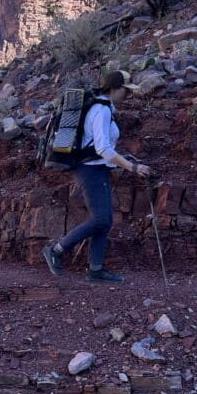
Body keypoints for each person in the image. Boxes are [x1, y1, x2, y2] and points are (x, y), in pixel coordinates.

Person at [42, 70, 154, 284]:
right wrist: (132, 167)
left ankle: (95, 269)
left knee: (105, 221)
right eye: (125, 90)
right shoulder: (101, 111)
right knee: (101, 219)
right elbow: (103, 148)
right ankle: (55, 250)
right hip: (90, 170)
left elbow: (102, 148)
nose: (127, 95)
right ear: (113, 88)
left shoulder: (104, 109)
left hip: (97, 169)